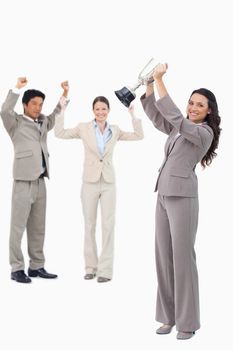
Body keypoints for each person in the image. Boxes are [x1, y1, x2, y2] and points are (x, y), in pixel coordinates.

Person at [140, 63, 221, 339]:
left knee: (182, 260)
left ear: (209, 110)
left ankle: (188, 322)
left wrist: (161, 80)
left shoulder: (203, 133)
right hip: (163, 195)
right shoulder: (179, 129)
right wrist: (149, 85)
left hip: (183, 198)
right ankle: (167, 317)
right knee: (163, 258)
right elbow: (157, 117)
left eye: (200, 105)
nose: (193, 107)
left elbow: (175, 116)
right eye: (191, 102)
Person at [54, 81, 144, 283]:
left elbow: (139, 136)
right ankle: (90, 267)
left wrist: (132, 114)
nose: (101, 112)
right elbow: (59, 133)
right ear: (93, 110)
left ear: (109, 111)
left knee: (108, 226)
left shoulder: (116, 130)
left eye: (104, 109)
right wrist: (62, 106)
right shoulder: (83, 128)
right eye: (97, 109)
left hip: (109, 182)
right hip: (90, 182)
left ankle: (105, 271)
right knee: (89, 225)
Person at [0, 77, 68, 283]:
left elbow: (55, 115)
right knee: (17, 227)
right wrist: (16, 88)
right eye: (34, 104)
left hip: (40, 181)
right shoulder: (15, 123)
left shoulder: (43, 122)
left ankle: (36, 266)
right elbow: (4, 111)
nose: (38, 108)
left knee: (38, 227)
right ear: (25, 105)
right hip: (22, 181)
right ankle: (16, 268)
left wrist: (64, 94)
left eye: (40, 104)